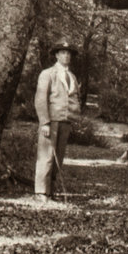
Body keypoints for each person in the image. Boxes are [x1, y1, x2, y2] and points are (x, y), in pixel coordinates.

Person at [33, 38, 82, 201]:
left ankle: (50, 191)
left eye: (68, 53)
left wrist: (74, 117)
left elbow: (75, 98)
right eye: (62, 53)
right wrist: (44, 122)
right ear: (56, 55)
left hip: (65, 121)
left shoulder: (73, 77)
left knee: (58, 158)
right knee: (46, 156)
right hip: (51, 121)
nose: (66, 56)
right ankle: (40, 192)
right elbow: (40, 99)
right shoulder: (47, 74)